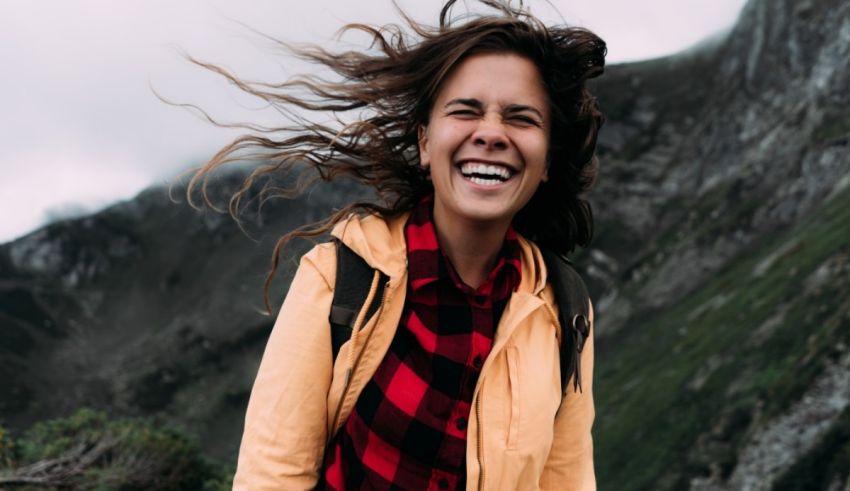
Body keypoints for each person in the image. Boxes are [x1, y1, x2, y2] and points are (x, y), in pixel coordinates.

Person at [188, 1, 605, 489]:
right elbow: (272, 475)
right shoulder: (341, 278)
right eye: (466, 111)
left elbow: (567, 480)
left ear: (548, 160)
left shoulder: (565, 309)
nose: (491, 133)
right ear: (425, 143)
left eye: (521, 119)